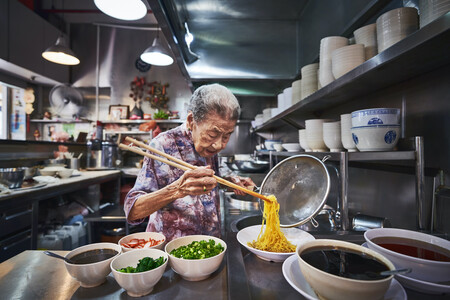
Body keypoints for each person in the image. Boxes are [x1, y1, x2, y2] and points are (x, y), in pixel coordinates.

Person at [124, 84, 255, 241]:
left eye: (227, 136)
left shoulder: (209, 148)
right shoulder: (163, 144)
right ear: (191, 120)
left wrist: (230, 183)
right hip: (173, 251)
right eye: (213, 134)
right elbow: (132, 210)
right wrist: (177, 190)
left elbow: (210, 182)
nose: (220, 145)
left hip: (210, 246)